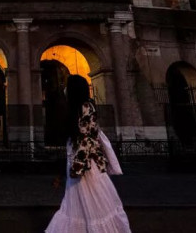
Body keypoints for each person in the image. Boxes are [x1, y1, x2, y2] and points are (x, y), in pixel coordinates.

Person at [46, 75, 132, 232]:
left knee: (94, 201)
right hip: (77, 161)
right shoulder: (77, 108)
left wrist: (78, 167)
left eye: (68, 87)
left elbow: (87, 139)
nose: (65, 90)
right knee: (76, 204)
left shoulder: (86, 107)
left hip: (86, 165)